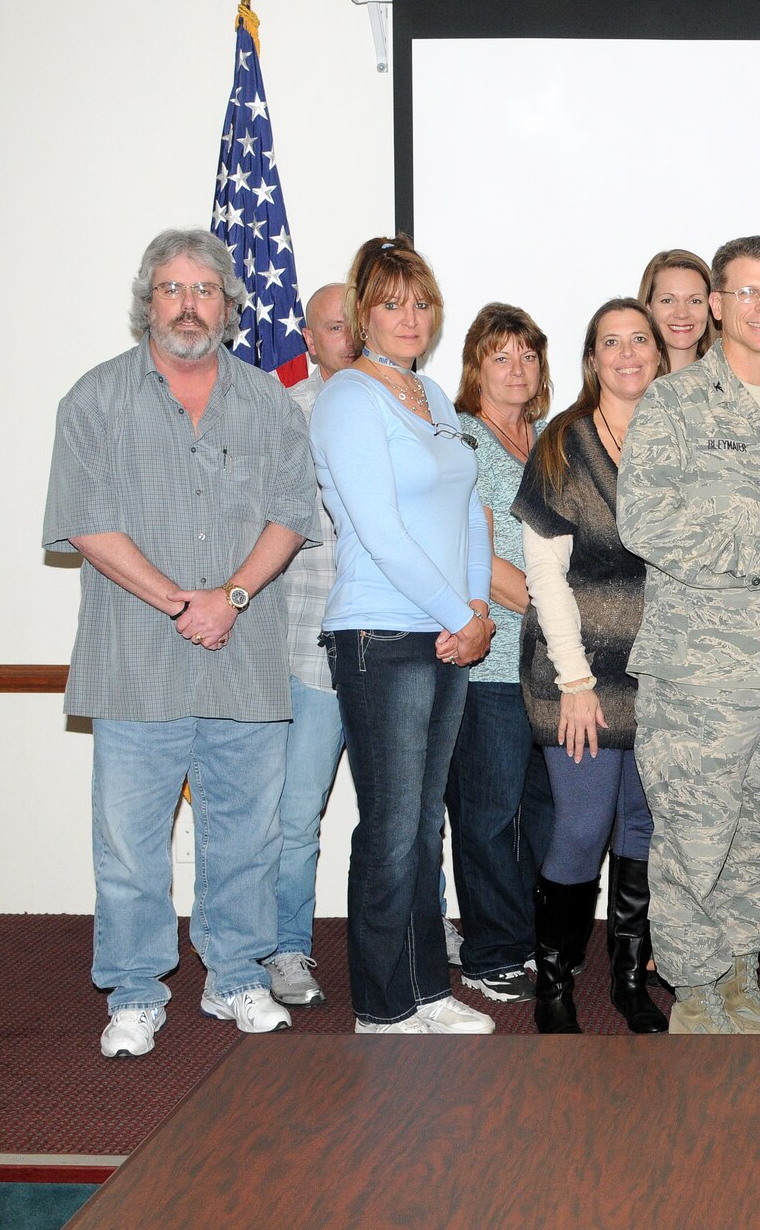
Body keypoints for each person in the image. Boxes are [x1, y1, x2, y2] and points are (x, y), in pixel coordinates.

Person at [44, 228, 315, 1057]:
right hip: (135, 667)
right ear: (147, 303)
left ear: (230, 307)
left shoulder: (268, 400)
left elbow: (293, 515)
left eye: (204, 290)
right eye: (172, 289)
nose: (188, 304)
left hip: (245, 660)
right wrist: (178, 602)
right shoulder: (93, 400)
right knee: (130, 845)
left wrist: (229, 598)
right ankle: (134, 990)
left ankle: (234, 977)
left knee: (249, 835)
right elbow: (84, 523)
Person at [617, 234, 760, 1035]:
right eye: (747, 292)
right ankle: (695, 997)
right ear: (716, 304)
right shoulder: (676, 402)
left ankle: (741, 985)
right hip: (701, 671)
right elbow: (643, 520)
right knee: (694, 838)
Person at [308, 234, 497, 1035]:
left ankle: (425, 989)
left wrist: (479, 612)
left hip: (451, 633)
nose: (410, 316)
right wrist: (459, 616)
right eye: (392, 303)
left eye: (421, 302)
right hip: (382, 634)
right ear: (362, 314)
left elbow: (471, 514)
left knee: (424, 825)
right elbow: (380, 531)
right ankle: (383, 1007)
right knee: (390, 825)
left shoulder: (436, 400)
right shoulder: (350, 398)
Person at [513, 299, 667, 1034]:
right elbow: (544, 577)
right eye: (613, 342)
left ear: (660, 354)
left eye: (641, 340)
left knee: (642, 823)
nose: (628, 353)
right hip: (577, 672)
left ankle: (630, 983)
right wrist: (574, 681)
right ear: (592, 358)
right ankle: (556, 983)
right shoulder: (562, 444)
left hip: (664, 673)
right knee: (581, 825)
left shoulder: (680, 441)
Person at [446, 303, 557, 1004]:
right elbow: (475, 554)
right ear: (475, 368)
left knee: (549, 812)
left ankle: (534, 936)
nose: (517, 368)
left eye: (527, 355)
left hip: (555, 668)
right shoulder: (457, 439)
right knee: (488, 814)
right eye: (500, 356)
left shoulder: (550, 440)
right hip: (493, 662)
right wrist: (559, 613)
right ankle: (493, 949)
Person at [264, 280, 358, 1008]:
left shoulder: (411, 406)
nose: (349, 336)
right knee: (297, 814)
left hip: (397, 651)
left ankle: (424, 927)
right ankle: (288, 948)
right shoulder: (282, 415)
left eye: (359, 322)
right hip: (310, 651)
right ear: (307, 335)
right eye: (334, 326)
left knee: (413, 814)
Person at [639, 248, 716, 373]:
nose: (682, 314)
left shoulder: (731, 385)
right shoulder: (628, 385)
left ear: (711, 308)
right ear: (648, 308)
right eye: (667, 300)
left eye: (695, 301)